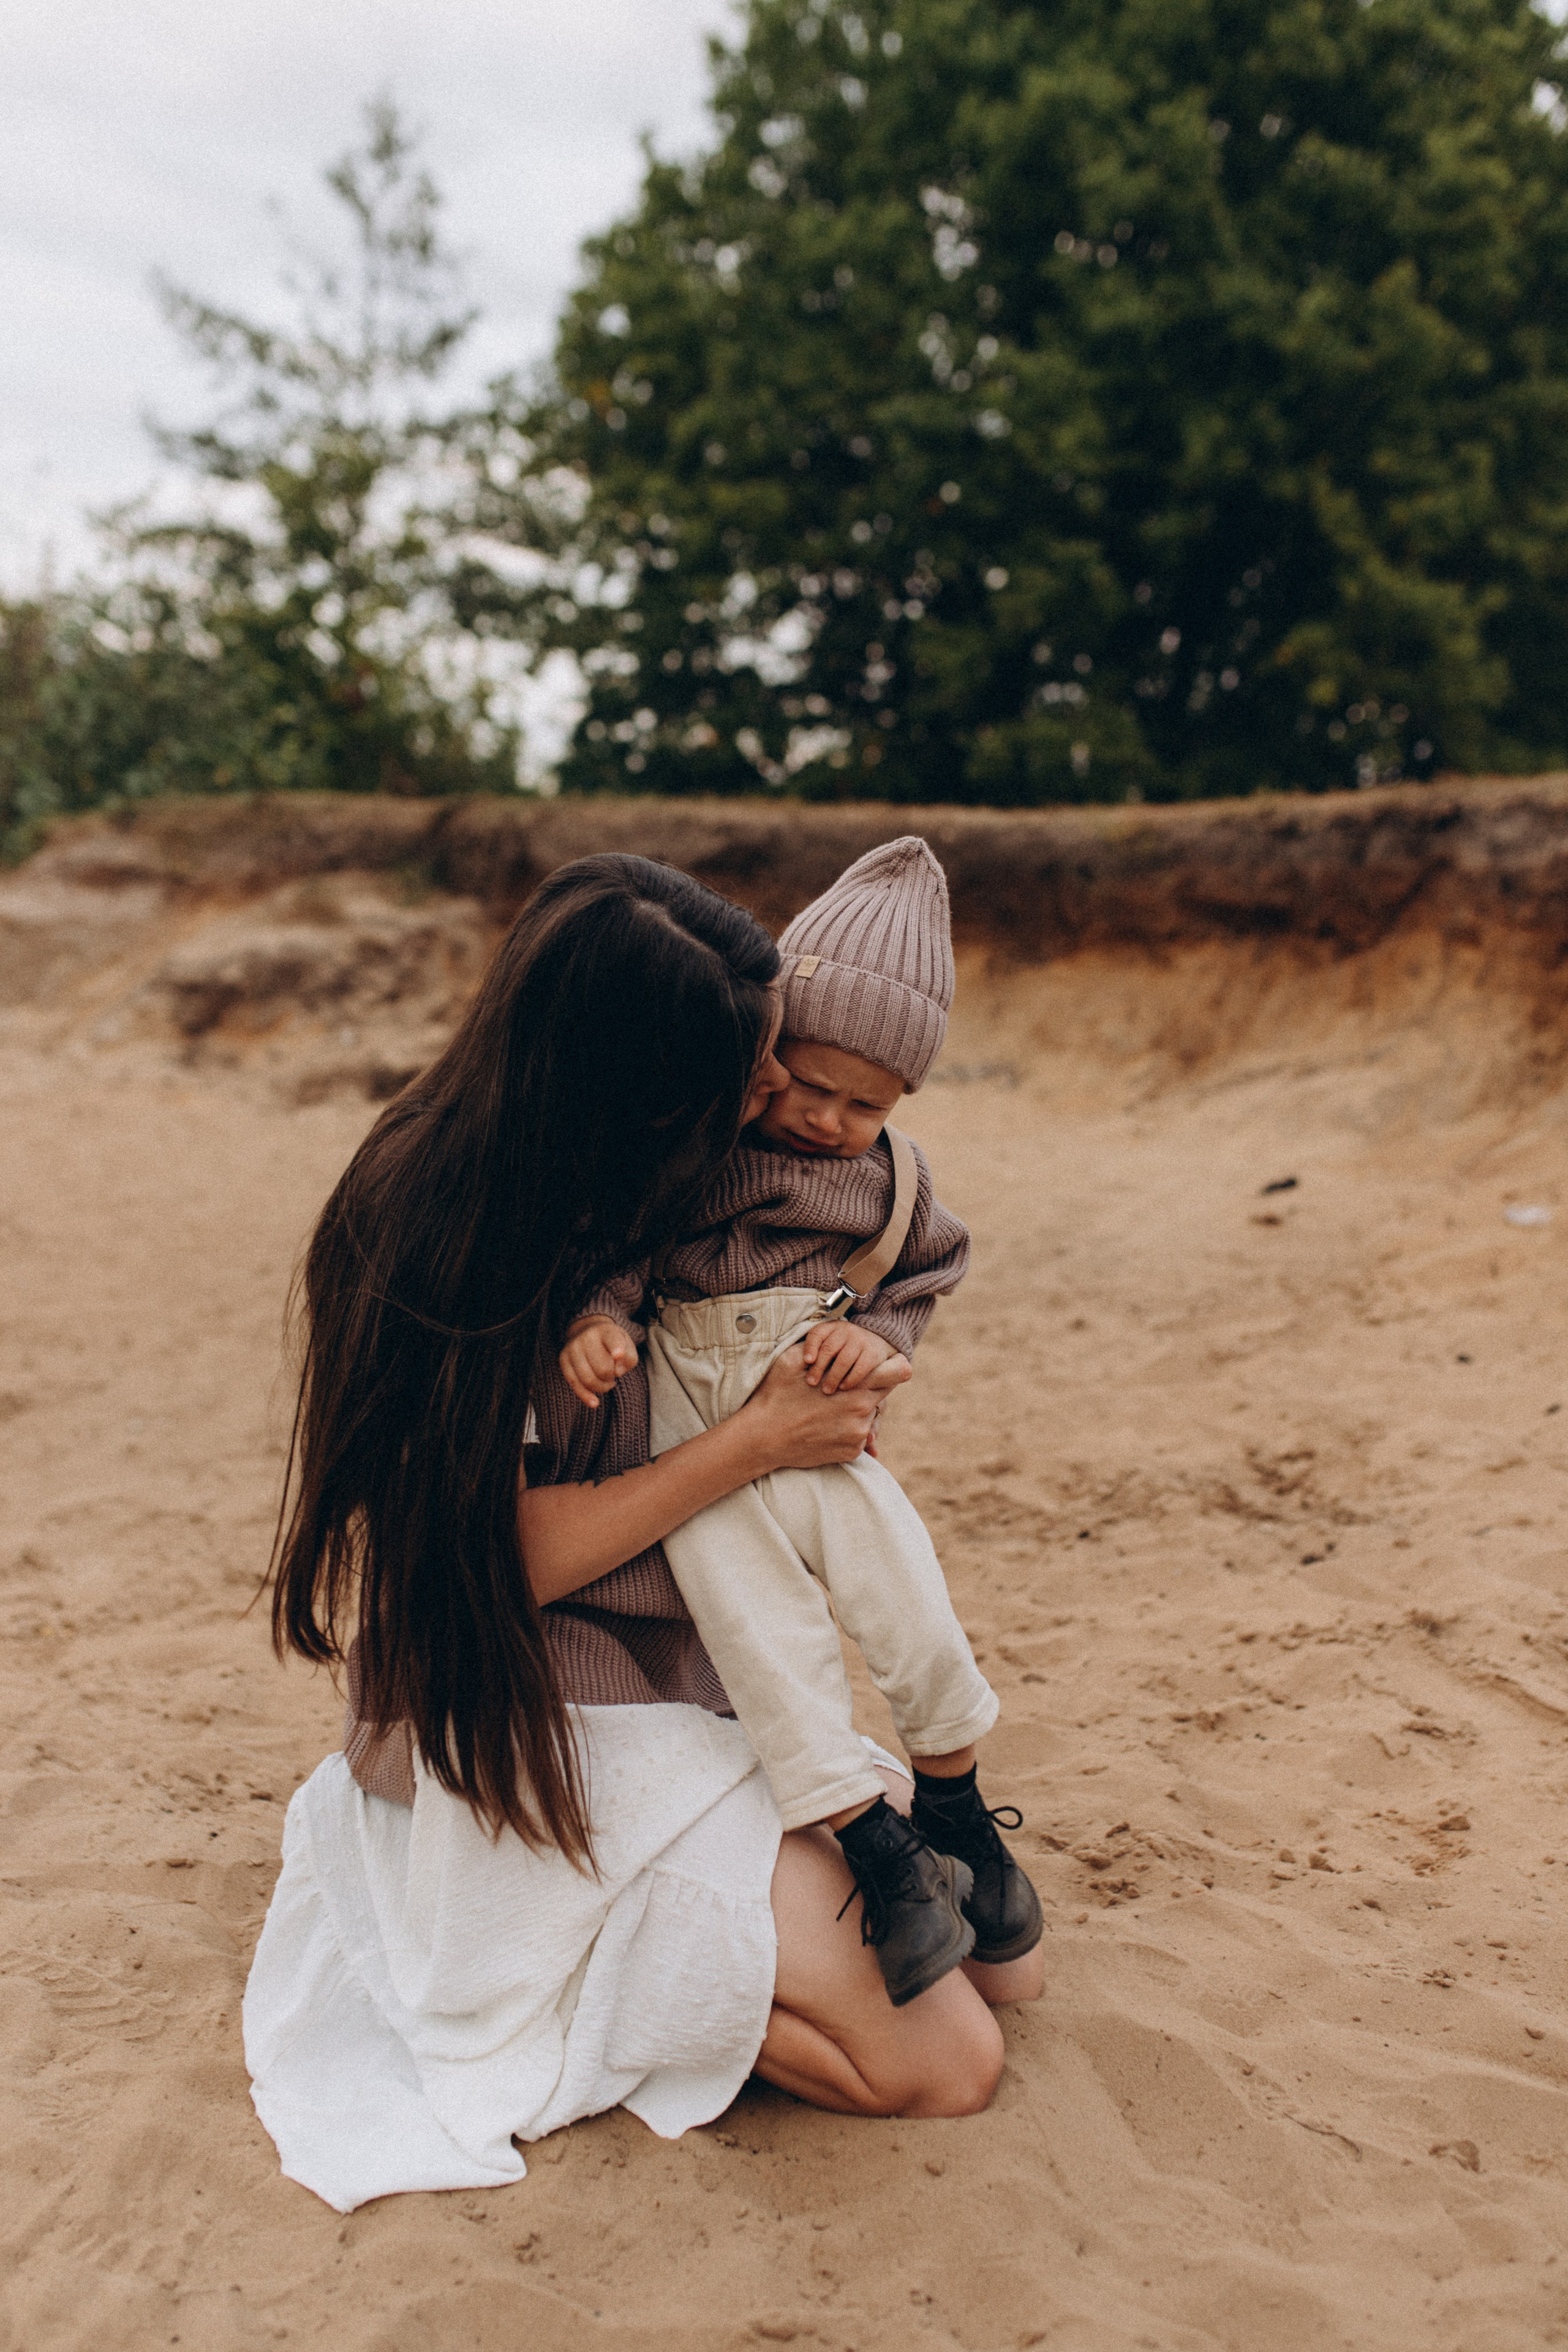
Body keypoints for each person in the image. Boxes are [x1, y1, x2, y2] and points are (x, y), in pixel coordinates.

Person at [244, 852, 1039, 2215]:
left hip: (681, 1670)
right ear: (634, 1092)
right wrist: (753, 1442)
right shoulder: (458, 1239)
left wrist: (831, 1383)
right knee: (948, 2061)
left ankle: (687, 1932)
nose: (775, 1096)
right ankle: (584, 1983)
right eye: (749, 1071)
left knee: (1005, 1967)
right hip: (521, 1694)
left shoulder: (680, 1198)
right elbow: (494, 1570)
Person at [558, 840, 1042, 2011]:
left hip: (818, 1414)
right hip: (691, 1435)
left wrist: (883, 1345)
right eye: (807, 1084)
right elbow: (624, 1244)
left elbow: (924, 1275)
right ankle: (878, 1850)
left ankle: (955, 1803)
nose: (827, 1119)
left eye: (865, 1103)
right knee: (760, 1630)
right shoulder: (702, 1152)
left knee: (903, 1592)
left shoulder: (896, 1185)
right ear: (769, 1050)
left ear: (906, 1096)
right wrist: (600, 1318)